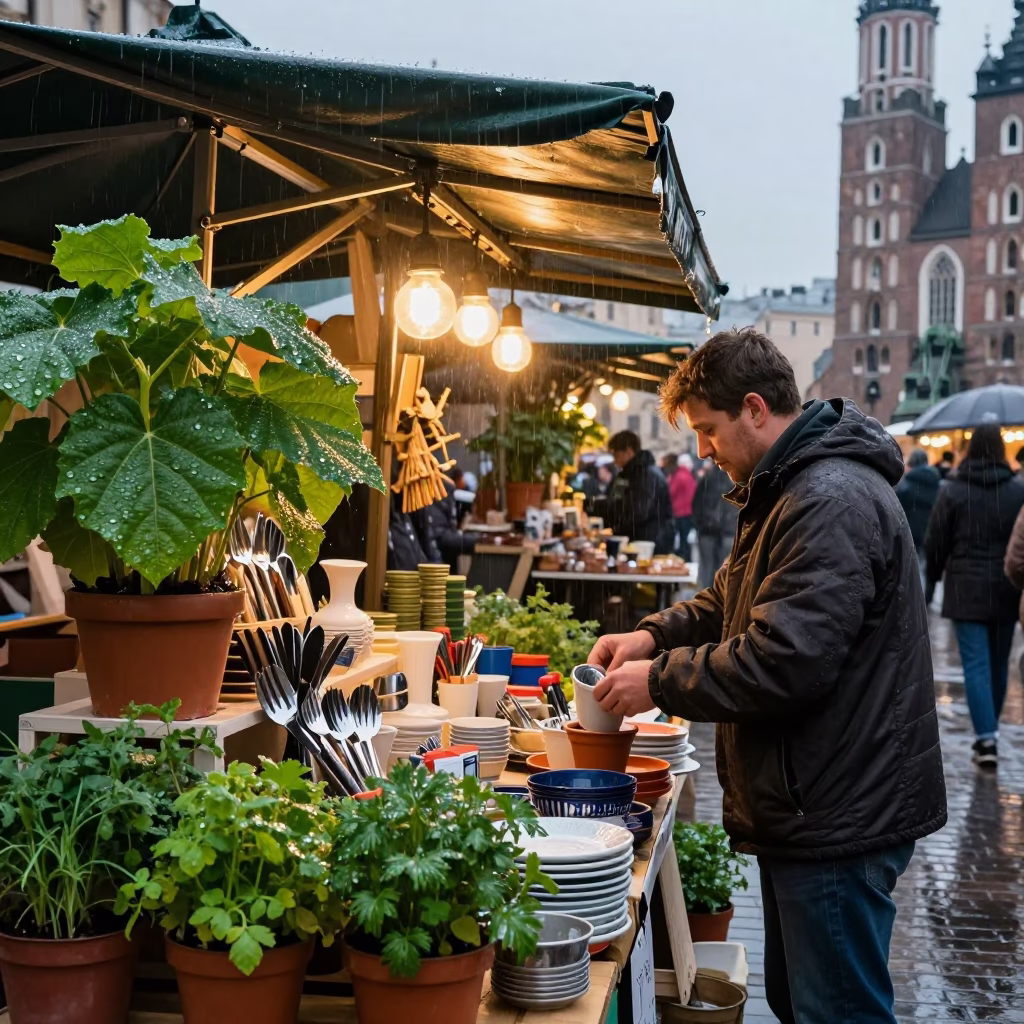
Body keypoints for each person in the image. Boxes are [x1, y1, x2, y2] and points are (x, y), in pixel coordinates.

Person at [586, 329, 946, 1024]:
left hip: (839, 806)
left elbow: (784, 662)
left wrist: (657, 680)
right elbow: (729, 600)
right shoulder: (787, 485)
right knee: (806, 1002)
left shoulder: (827, 497)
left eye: (708, 430)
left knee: (836, 1011)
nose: (703, 450)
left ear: (755, 408)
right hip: (817, 799)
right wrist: (651, 634)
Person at [925, 424, 1024, 769]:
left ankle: (986, 739)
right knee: (998, 665)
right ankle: (989, 733)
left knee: (977, 666)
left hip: (966, 588)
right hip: (1006, 587)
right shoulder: (1017, 490)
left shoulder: (954, 490)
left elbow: (936, 541)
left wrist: (932, 580)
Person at [605, 430, 674, 554]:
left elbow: (638, 511)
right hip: (643, 538)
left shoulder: (646, 475)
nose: (615, 461)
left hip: (648, 542)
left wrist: (615, 529)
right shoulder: (631, 474)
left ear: (628, 451)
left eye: (616, 455)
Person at [894, 448, 940, 589]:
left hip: (910, 533)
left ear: (911, 464)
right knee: (927, 567)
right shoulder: (938, 484)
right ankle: (926, 599)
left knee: (910, 569)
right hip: (932, 532)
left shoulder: (905, 486)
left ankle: (913, 597)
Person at [691, 459, 738, 590]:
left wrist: (699, 524)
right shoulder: (736, 481)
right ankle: (721, 603)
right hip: (729, 530)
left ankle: (705, 602)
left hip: (707, 530)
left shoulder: (707, 479)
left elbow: (696, 505)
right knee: (725, 571)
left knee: (706, 568)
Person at [668, 453, 697, 558]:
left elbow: (671, 492)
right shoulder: (688, 476)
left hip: (679, 512)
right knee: (685, 538)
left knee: (681, 538)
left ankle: (682, 556)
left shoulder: (678, 476)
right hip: (687, 512)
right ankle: (685, 557)